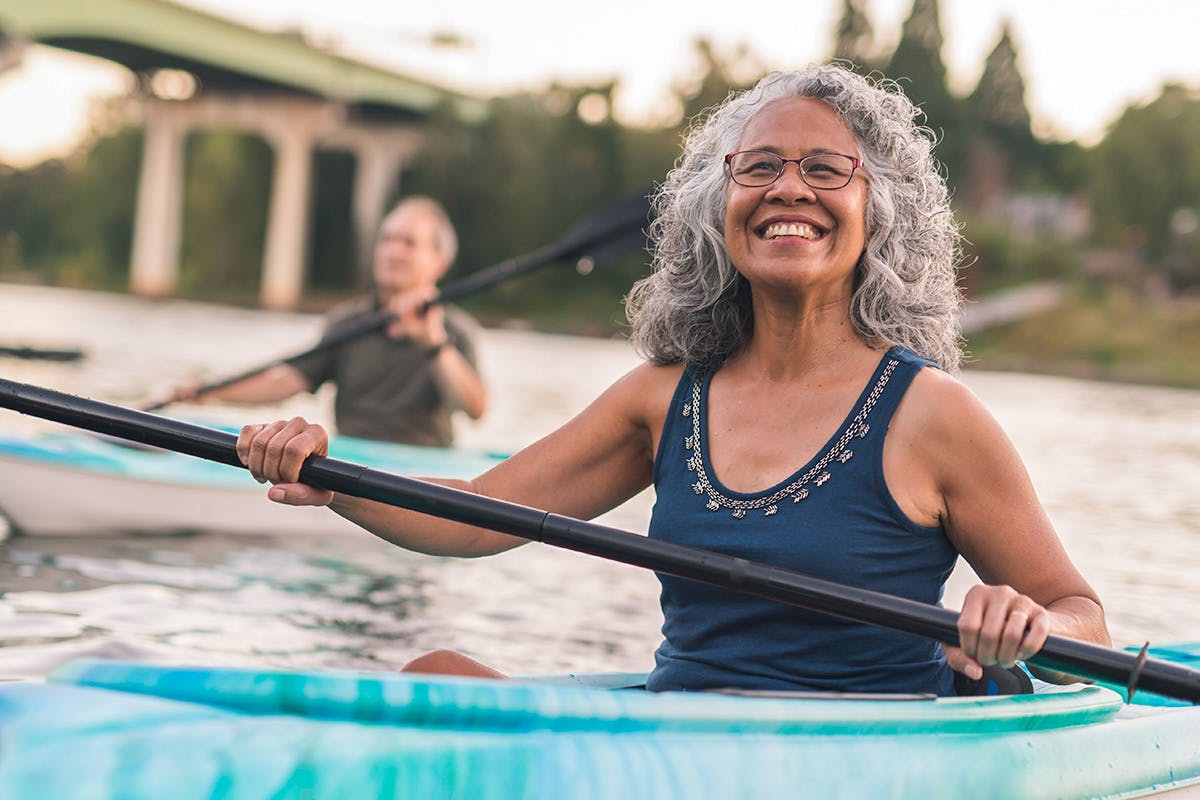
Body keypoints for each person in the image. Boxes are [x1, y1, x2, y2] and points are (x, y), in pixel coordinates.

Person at [235, 65, 1110, 696]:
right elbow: (470, 515)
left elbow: (1082, 614)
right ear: (715, 205)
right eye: (758, 166)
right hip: (679, 743)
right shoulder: (662, 397)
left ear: (877, 209)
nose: (787, 188)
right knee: (432, 679)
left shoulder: (934, 415)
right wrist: (326, 472)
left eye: (825, 168)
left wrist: (1028, 627)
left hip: (854, 753)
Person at [169, 196, 486, 447]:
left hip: (422, 468)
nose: (393, 251)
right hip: (353, 458)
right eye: (386, 239)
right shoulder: (347, 321)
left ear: (439, 262)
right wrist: (210, 391)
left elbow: (475, 409)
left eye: (408, 242)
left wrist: (433, 344)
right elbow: (286, 381)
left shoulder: (456, 330)